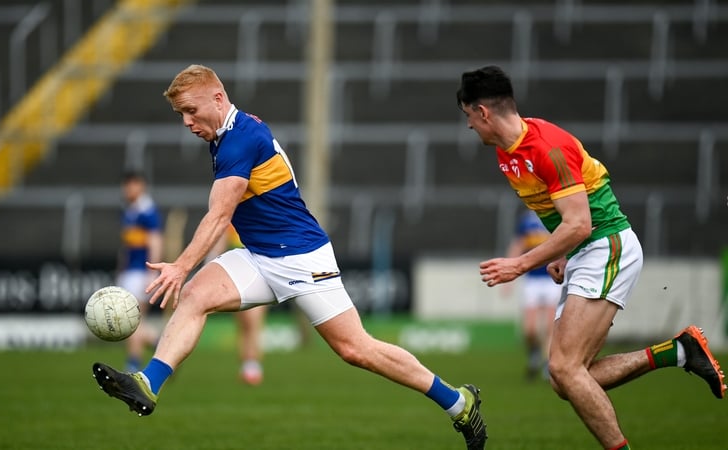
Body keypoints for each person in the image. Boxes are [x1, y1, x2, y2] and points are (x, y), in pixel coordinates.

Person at [92, 64, 487, 449]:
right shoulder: (226, 133)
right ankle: (148, 383)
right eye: (180, 114)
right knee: (195, 296)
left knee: (356, 349)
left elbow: (220, 215)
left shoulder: (239, 139)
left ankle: (457, 402)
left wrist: (180, 265)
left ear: (218, 97)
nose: (186, 122)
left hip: (302, 257)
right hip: (260, 255)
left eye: (190, 111)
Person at [456, 65, 725, 450]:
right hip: (587, 250)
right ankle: (680, 352)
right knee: (565, 378)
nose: (468, 127)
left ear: (483, 112)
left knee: (565, 369)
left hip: (606, 246)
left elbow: (581, 224)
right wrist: (563, 250)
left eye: (468, 116)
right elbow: (566, 219)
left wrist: (520, 263)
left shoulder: (547, 147)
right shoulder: (507, 153)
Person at [206, 224, 267, 386]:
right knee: (244, 324)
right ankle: (247, 364)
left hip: (260, 271)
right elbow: (221, 242)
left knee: (254, 321)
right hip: (239, 273)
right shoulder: (231, 222)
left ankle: (254, 365)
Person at [504, 208, 561, 381]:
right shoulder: (527, 221)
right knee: (529, 329)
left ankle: (547, 364)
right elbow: (517, 246)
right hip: (531, 280)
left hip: (552, 279)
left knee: (550, 326)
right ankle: (534, 353)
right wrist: (509, 274)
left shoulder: (556, 216)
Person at [116, 170, 163, 372]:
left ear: (141, 186)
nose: (128, 189)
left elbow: (156, 241)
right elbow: (127, 247)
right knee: (130, 320)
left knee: (132, 319)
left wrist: (151, 272)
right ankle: (162, 347)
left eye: (132, 184)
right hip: (130, 273)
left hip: (141, 273)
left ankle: (133, 364)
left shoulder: (147, 211)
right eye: (126, 185)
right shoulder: (130, 211)